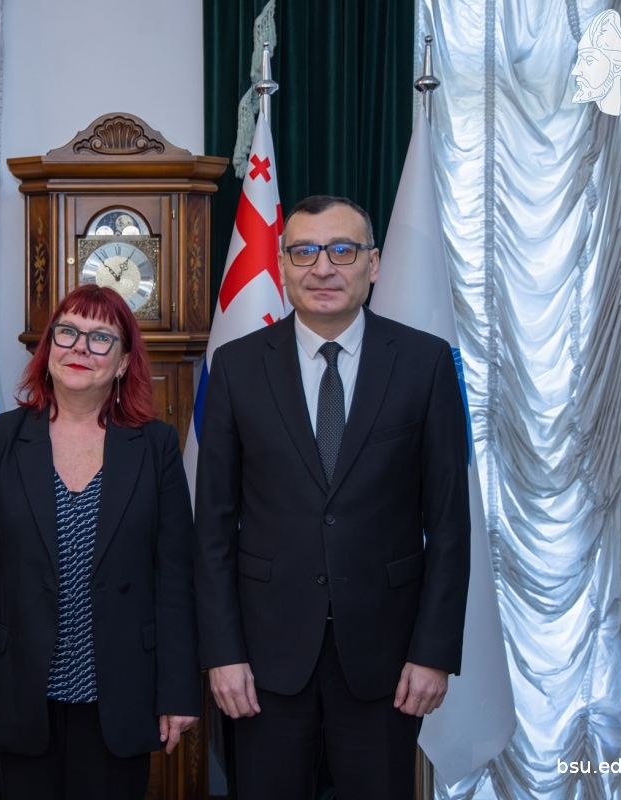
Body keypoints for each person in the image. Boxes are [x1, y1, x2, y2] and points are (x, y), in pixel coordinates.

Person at [194, 195, 471, 799]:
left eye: (343, 250)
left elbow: (450, 524)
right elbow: (212, 527)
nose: (323, 267)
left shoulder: (424, 363)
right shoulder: (236, 367)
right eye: (305, 252)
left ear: (374, 263)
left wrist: (433, 652)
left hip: (387, 658)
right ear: (282, 265)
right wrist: (221, 652)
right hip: (263, 659)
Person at [0, 284, 199, 799]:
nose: (80, 348)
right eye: (68, 332)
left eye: (101, 338)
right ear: (49, 349)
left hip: (122, 693)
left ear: (123, 362)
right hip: (16, 691)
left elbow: (175, 579)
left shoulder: (156, 447)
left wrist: (178, 690)